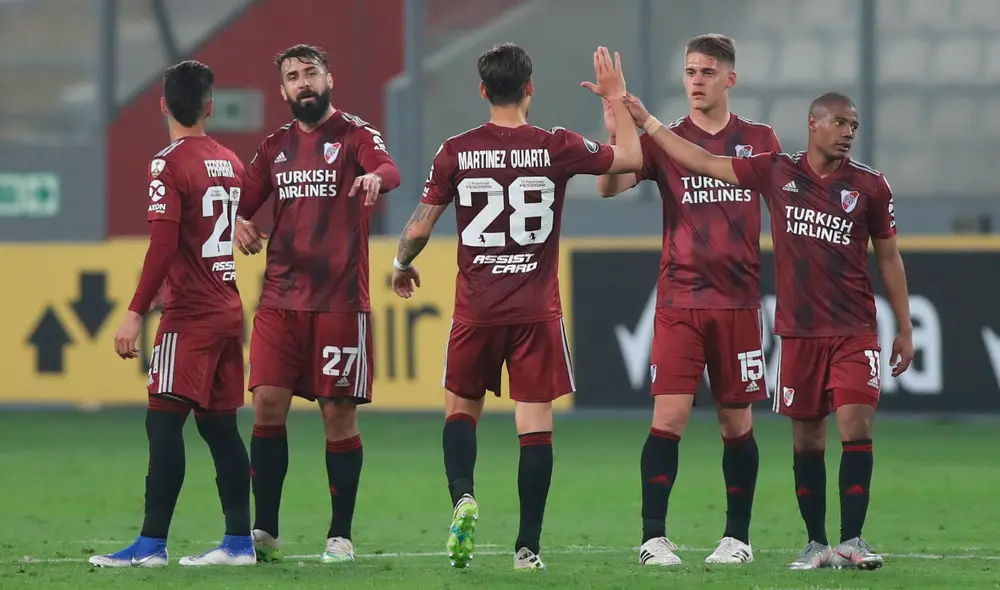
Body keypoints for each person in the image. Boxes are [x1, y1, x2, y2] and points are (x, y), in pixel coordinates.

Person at [619, 89, 914, 571]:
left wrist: (904, 327)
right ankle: (817, 544)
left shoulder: (870, 186)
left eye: (854, 126)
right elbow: (702, 161)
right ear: (814, 123)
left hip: (855, 328)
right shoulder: (777, 171)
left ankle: (853, 539)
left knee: (855, 425)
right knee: (808, 442)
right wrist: (648, 123)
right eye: (840, 123)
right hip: (798, 332)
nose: (848, 133)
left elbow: (889, 258)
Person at [390, 43, 642, 571]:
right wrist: (617, 100)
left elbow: (418, 228)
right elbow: (631, 160)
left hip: (476, 311)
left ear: (483, 90)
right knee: (535, 425)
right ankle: (528, 549)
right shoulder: (557, 145)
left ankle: (463, 496)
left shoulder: (456, 150)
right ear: (530, 88)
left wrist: (400, 263)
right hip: (536, 312)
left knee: (461, 411)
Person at [596, 34, 780, 566]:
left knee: (736, 424)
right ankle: (653, 537)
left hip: (738, 303)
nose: (696, 81)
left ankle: (737, 538)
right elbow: (609, 188)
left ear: (730, 78)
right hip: (680, 301)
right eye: (690, 71)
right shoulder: (665, 138)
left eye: (707, 72)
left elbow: (773, 195)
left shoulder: (758, 139)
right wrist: (617, 131)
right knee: (668, 418)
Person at [232, 44, 401, 564]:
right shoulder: (274, 147)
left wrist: (375, 178)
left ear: (329, 80)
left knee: (338, 415)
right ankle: (265, 530)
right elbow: (241, 200)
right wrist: (238, 222)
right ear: (283, 89)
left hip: (339, 302)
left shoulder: (354, 134)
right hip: (279, 300)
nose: (302, 82)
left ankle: (340, 535)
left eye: (310, 73)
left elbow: (389, 169)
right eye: (293, 76)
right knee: (266, 405)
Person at [91, 60, 254, 567]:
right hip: (227, 307)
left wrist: (134, 312)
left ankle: (151, 545)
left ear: (163, 105)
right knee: (220, 427)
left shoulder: (167, 163)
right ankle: (239, 542)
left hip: (190, 313)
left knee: (163, 423)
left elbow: (163, 245)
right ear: (209, 107)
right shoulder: (229, 160)